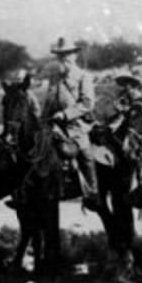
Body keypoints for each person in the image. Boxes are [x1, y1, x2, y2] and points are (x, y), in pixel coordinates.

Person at [42, 37, 99, 209]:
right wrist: (43, 120)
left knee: (85, 155)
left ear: (74, 56)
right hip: (54, 126)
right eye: (60, 55)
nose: (63, 58)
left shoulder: (83, 76)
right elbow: (48, 102)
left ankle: (92, 192)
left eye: (67, 54)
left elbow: (88, 103)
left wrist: (66, 114)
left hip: (76, 126)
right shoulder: (54, 77)